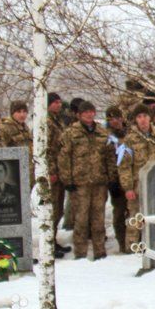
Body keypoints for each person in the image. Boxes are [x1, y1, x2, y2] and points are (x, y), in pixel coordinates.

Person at [58, 101, 116, 259]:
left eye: (91, 111)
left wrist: (111, 178)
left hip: (99, 182)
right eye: (85, 112)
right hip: (80, 183)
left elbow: (110, 157)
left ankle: (100, 252)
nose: (89, 115)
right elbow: (64, 158)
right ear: (79, 115)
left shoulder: (103, 132)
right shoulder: (70, 133)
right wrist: (67, 180)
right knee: (81, 219)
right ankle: (80, 253)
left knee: (98, 219)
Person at [117, 104, 155, 248]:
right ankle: (131, 247)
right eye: (139, 117)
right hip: (137, 186)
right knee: (135, 217)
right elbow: (124, 166)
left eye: (145, 116)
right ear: (136, 120)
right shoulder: (129, 140)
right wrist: (128, 188)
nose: (143, 120)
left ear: (150, 118)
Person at [45, 92, 71, 257]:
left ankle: (52, 241)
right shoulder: (46, 122)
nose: (58, 105)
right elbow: (46, 149)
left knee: (58, 209)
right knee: (52, 209)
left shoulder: (57, 120)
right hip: (53, 171)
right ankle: (48, 244)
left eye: (60, 102)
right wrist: (51, 170)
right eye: (55, 102)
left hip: (61, 169)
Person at [105, 106, 129, 253]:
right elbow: (107, 160)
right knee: (119, 213)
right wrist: (112, 180)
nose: (115, 121)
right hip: (116, 180)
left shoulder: (131, 133)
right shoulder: (106, 137)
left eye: (117, 118)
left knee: (133, 212)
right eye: (111, 119)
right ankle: (122, 243)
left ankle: (134, 241)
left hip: (131, 178)